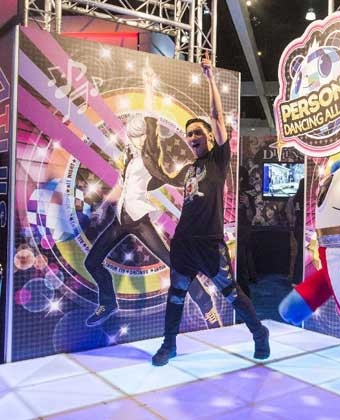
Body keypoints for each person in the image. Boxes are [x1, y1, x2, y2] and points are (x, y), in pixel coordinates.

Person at [152, 55, 270, 366]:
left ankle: (259, 333)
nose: (192, 138)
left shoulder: (218, 159)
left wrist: (210, 79)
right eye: (188, 134)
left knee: (231, 294)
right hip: (183, 243)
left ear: (209, 137)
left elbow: (217, 116)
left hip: (209, 243)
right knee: (176, 295)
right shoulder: (191, 168)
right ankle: (169, 345)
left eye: (197, 133)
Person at [84, 66, 221, 329]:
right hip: (121, 220)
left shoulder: (148, 156)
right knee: (92, 261)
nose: (133, 136)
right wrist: (103, 206)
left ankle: (206, 306)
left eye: (137, 134)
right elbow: (123, 187)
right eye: (131, 133)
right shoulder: (129, 159)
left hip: (139, 220)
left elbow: (150, 119)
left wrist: (148, 88)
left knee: (175, 264)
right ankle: (109, 302)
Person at [236, 166, 257, 297]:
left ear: (240, 178)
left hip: (243, 231)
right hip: (229, 230)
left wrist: (248, 204)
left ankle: (244, 292)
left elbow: (250, 216)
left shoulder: (247, 195)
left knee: (241, 261)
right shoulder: (227, 192)